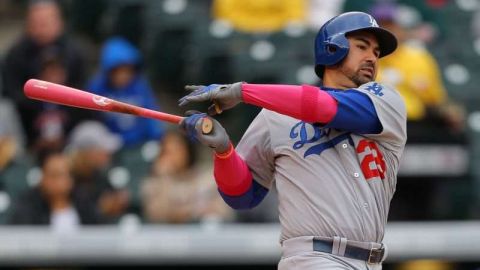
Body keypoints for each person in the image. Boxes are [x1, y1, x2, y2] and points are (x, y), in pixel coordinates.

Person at [179, 12, 406, 269]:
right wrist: (223, 152)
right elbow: (242, 197)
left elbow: (325, 108)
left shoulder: (385, 101)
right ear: (332, 48)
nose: (371, 58)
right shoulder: (276, 116)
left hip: (372, 261)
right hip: (312, 259)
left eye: (376, 52)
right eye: (362, 46)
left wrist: (241, 91)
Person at [1, 0, 87, 148]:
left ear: (59, 22)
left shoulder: (75, 53)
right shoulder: (15, 55)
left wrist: (58, 109)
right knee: (3, 111)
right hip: (27, 125)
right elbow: (11, 94)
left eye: (46, 22)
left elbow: (84, 91)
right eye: (36, 22)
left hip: (69, 125)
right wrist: (41, 105)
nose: (41, 28)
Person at [87, 36, 164, 148]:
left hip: (138, 142)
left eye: (127, 71)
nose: (123, 76)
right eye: (118, 72)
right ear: (109, 71)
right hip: (108, 144)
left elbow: (150, 113)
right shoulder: (97, 87)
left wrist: (157, 138)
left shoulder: (140, 86)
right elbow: (92, 119)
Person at [141, 131, 233, 224]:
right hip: (167, 235)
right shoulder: (156, 181)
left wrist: (182, 213)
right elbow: (155, 214)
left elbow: (223, 211)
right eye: (167, 151)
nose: (171, 156)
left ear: (188, 150)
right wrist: (163, 178)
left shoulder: (208, 178)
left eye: (176, 150)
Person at [8, 150, 101, 231]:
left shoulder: (84, 204)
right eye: (51, 175)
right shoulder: (28, 206)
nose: (53, 182)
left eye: (59, 175)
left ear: (70, 179)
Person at [67, 121, 129, 223]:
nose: (108, 154)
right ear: (86, 153)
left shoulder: (102, 178)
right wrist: (101, 210)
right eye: (101, 149)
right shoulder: (67, 181)